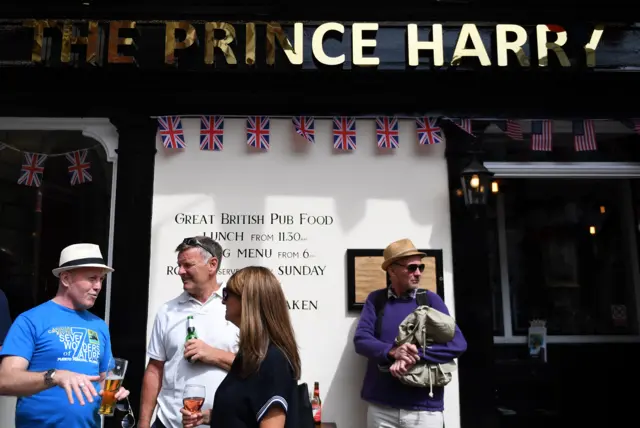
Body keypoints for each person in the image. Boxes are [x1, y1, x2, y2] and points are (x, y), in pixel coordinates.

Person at [0, 243, 130, 428]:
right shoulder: (31, 320)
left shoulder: (99, 325)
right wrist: (55, 376)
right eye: (92, 278)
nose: (98, 286)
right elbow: (4, 380)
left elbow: (102, 381)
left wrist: (113, 394)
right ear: (66, 278)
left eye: (101, 279)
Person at [353, 238, 467, 428]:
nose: (418, 273)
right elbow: (361, 340)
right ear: (391, 270)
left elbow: (457, 344)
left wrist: (412, 355)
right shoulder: (376, 300)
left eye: (421, 268)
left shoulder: (430, 300)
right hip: (382, 408)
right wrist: (393, 351)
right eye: (411, 268)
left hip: (424, 410)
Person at [181, 266, 301, 428]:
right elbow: (245, 412)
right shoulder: (250, 357)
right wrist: (209, 417)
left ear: (247, 301)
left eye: (226, 294)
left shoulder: (273, 360)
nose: (222, 301)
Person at [140, 236, 239, 428]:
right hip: (170, 423)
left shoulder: (237, 308)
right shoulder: (167, 311)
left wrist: (213, 354)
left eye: (188, 265)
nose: (180, 271)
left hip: (222, 423)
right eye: (179, 265)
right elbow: (154, 369)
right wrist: (144, 423)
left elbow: (256, 368)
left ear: (212, 265)